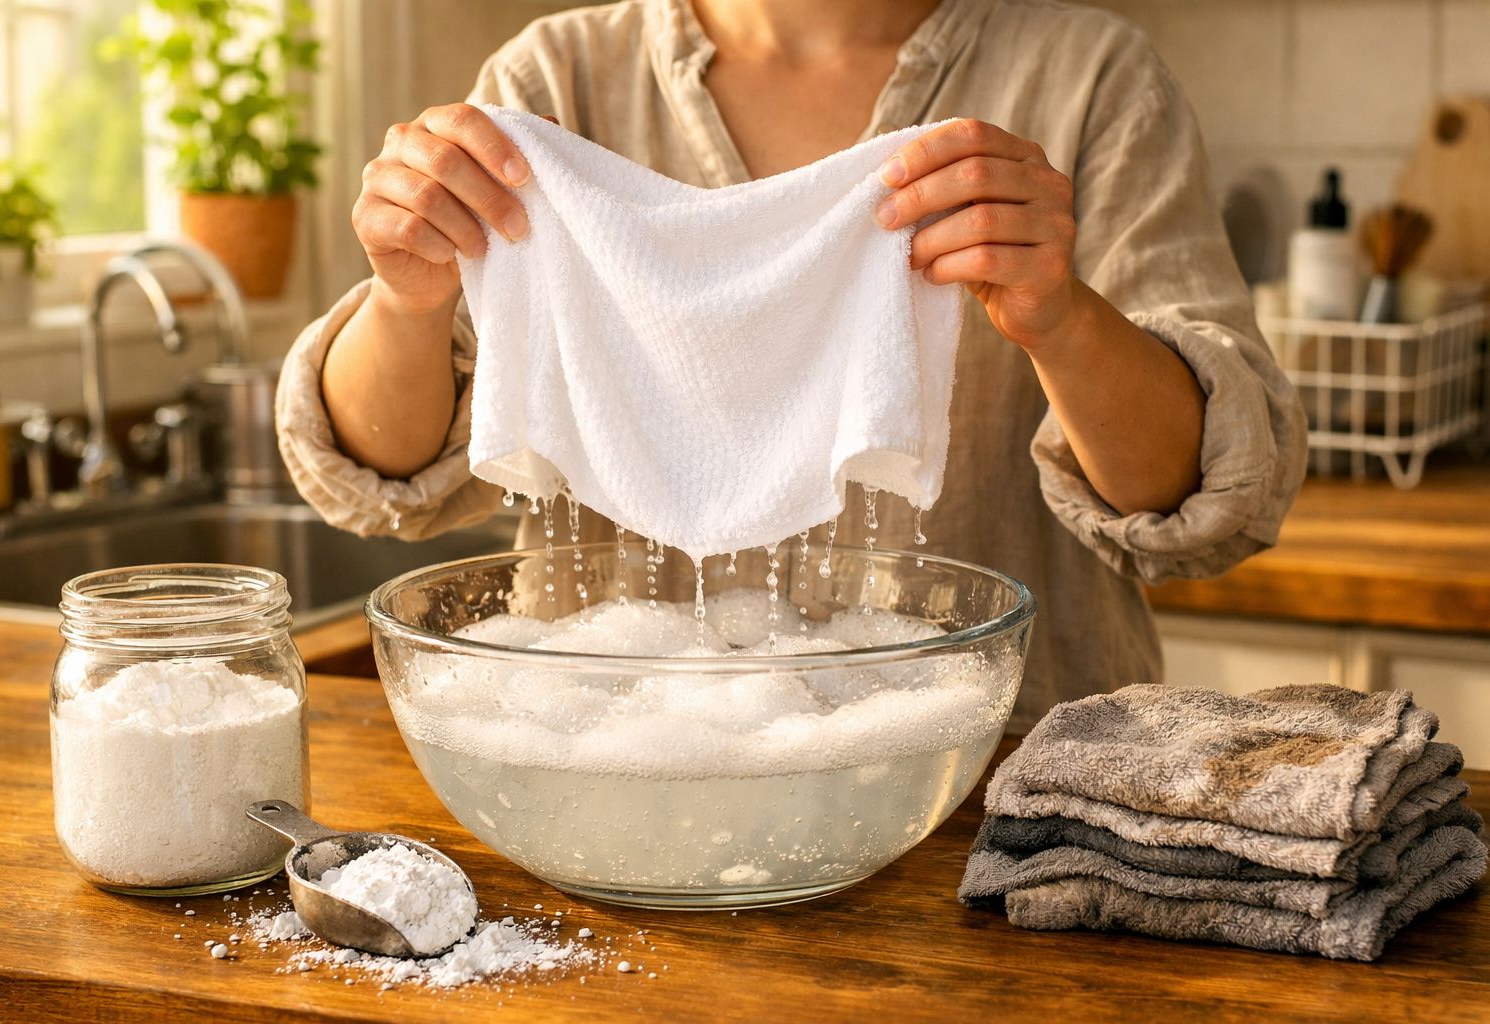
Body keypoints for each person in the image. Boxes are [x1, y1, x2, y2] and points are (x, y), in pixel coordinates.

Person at [276, 0, 1307, 730]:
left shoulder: (1089, 82)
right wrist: (409, 301)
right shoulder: (552, 87)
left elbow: (1198, 498)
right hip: (609, 779)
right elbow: (393, 474)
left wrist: (1061, 317)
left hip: (1000, 800)